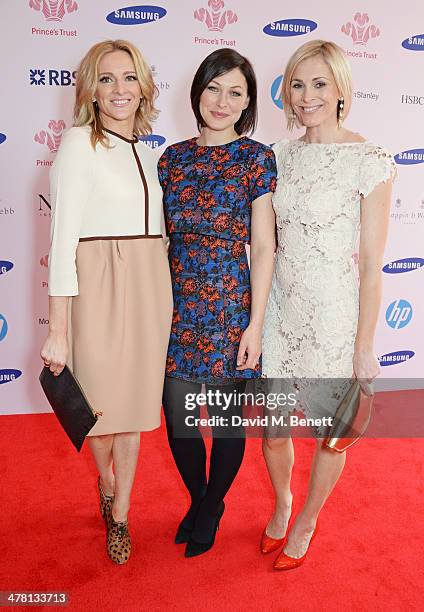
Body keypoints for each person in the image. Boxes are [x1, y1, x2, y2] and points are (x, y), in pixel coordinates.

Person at [261, 40, 396, 570]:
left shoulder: (370, 161)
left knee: (330, 438)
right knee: (271, 432)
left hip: (333, 319)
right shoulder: (278, 156)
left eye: (320, 84)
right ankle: (282, 503)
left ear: (341, 89)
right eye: (298, 84)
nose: (308, 95)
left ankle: (308, 519)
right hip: (279, 314)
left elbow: (371, 264)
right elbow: (266, 241)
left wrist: (364, 344)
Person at [40, 40, 172, 565]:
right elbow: (62, 241)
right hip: (96, 284)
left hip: (149, 285)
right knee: (97, 410)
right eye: (107, 78)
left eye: (129, 77)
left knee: (136, 409)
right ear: (90, 90)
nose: (120, 89)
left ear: (143, 86)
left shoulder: (148, 151)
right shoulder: (77, 144)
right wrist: (59, 329)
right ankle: (105, 479)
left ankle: (120, 512)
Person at [158, 48, 277, 557]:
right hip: (176, 305)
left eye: (235, 92)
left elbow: (266, 245)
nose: (221, 101)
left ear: (248, 102)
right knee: (180, 420)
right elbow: (160, 239)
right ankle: (201, 498)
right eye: (213, 88)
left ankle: (210, 507)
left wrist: (255, 325)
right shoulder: (171, 158)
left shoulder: (256, 158)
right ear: (198, 91)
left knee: (227, 423)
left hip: (230, 304)